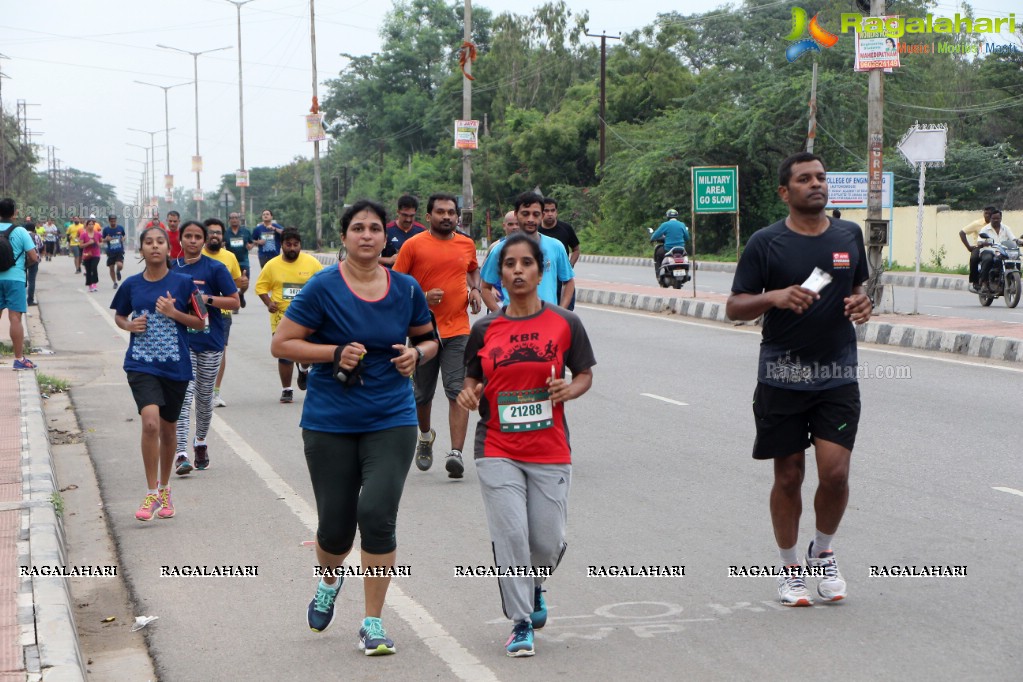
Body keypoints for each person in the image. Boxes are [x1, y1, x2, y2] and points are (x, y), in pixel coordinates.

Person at [270, 199, 438, 653]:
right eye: (358, 228)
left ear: (387, 237)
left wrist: (415, 355)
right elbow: (281, 343)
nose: (367, 235)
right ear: (344, 237)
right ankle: (328, 581)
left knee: (377, 515)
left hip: (392, 416)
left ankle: (373, 622)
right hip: (330, 421)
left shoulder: (405, 289)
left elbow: (428, 338)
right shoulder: (323, 288)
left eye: (375, 229)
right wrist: (333, 352)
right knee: (336, 529)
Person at [726, 152, 871, 607]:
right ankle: (790, 567)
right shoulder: (766, 244)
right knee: (788, 475)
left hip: (836, 372)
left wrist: (863, 304)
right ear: (785, 192)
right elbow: (734, 307)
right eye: (805, 179)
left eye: (821, 177)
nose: (817, 184)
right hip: (782, 373)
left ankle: (822, 551)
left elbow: (857, 289)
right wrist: (774, 296)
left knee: (836, 472)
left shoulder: (849, 235)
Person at [457, 232, 595, 657]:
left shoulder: (565, 323)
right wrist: (468, 394)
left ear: (540, 270)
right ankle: (520, 622)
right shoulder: (485, 329)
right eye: (509, 264)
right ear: (499, 275)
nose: (518, 270)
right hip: (496, 445)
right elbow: (471, 379)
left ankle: (536, 583)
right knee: (511, 534)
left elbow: (585, 374)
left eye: (526, 263)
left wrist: (569, 391)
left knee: (546, 541)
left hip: (550, 447)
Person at [111, 225, 205, 521]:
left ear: (169, 248)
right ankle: (151, 492)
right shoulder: (131, 285)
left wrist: (173, 313)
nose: (154, 246)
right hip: (140, 364)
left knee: (168, 430)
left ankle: (165, 488)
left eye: (160, 242)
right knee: (150, 423)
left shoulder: (185, 283)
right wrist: (128, 326)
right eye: (148, 242)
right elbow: (119, 315)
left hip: (175, 367)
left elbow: (201, 322)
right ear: (141, 249)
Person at [393, 192, 483, 477]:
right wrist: (421, 296)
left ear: (457, 216)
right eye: (440, 212)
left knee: (457, 390)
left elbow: (472, 270)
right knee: (422, 394)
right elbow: (395, 285)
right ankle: (425, 436)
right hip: (423, 331)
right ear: (428, 217)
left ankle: (456, 453)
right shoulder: (413, 245)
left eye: (451, 212)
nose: (446, 216)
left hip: (458, 329)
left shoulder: (466, 244)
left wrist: (476, 290)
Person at [170, 221, 239, 474]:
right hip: (181, 342)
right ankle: (181, 454)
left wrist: (205, 299)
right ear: (180, 239)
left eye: (197, 236)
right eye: (188, 236)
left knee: (204, 397)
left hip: (210, 341)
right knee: (184, 397)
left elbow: (234, 301)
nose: (193, 240)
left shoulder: (215, 268)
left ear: (204, 240)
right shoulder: (171, 267)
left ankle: (200, 442)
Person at [254, 227, 323, 403]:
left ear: (300, 245)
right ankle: (287, 389)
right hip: (281, 318)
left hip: (308, 317)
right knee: (285, 356)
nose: (292, 248)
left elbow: (323, 285)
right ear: (281, 245)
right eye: (288, 244)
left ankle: (304, 370)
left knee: (305, 353)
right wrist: (269, 303)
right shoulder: (272, 265)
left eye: (295, 244)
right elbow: (261, 287)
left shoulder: (312, 263)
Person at [480, 192, 574, 313]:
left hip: (547, 322)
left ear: (542, 215)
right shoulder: (500, 249)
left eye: (536, 214)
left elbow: (568, 281)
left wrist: (561, 312)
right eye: (525, 214)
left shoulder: (556, 246)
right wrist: (501, 316)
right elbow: (485, 287)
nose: (530, 219)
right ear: (516, 214)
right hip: (514, 323)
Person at [202, 219, 247, 408]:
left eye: (218, 233)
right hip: (197, 312)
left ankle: (214, 393)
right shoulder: (195, 254)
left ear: (223, 236)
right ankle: (194, 390)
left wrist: (242, 284)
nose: (215, 236)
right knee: (195, 351)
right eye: (211, 232)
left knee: (219, 352)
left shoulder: (229, 257)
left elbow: (237, 282)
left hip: (223, 313)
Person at [0, 200, 39, 370]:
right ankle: (18, 359)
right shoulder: (21, 231)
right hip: (15, 278)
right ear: (15, 213)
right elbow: (33, 257)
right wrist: (22, 267)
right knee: (15, 318)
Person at [540, 198, 580, 309]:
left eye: (552, 211)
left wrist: (569, 266)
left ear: (556, 212)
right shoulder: (536, 231)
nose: (550, 214)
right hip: (545, 279)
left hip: (563, 279)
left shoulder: (566, 229)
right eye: (546, 211)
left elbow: (576, 249)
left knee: (565, 313)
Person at [378, 194, 426, 267]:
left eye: (411, 216)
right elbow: (369, 258)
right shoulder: (386, 230)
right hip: (391, 276)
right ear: (398, 212)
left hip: (414, 277)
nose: (408, 219)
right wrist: (389, 260)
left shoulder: (422, 231)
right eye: (405, 215)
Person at [977, 209, 1018, 293]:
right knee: (988, 259)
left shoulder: (1006, 228)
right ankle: (984, 283)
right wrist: (984, 243)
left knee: (1015, 258)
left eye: (998, 218)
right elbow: (979, 241)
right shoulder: (985, 229)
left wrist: (1019, 241)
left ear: (1001, 218)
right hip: (989, 250)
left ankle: (1009, 279)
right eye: (994, 218)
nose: (996, 220)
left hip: (1002, 251)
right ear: (990, 218)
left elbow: (1013, 239)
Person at [960, 206, 996, 293]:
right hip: (979, 247)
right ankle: (975, 281)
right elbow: (962, 232)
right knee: (974, 258)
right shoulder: (977, 223)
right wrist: (969, 247)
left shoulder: (997, 224)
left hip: (994, 247)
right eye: (985, 213)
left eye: (989, 214)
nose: (987, 215)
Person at [650, 209, 691, 277]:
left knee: (658, 253)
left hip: (668, 249)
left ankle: (659, 272)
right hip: (681, 249)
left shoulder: (665, 225)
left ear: (668, 217)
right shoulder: (682, 224)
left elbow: (655, 235)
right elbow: (687, 238)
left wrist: (651, 239)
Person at [224, 212, 253, 308]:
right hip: (231, 262)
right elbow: (222, 243)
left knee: (245, 283)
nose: (234, 220)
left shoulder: (245, 231)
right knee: (232, 283)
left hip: (243, 261)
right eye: (232, 218)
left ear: (239, 219)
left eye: (236, 218)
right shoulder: (226, 232)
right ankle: (235, 305)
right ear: (229, 220)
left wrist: (250, 246)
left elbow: (251, 243)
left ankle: (241, 294)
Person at [102, 214, 127, 288]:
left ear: (116, 221)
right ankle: (115, 282)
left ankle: (118, 271)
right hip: (110, 252)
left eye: (114, 221)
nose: (113, 222)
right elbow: (102, 240)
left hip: (119, 251)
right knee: (111, 268)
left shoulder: (120, 228)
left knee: (120, 265)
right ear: (109, 221)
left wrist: (123, 239)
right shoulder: (106, 230)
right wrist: (106, 239)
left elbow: (124, 235)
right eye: (111, 221)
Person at [78, 218, 102, 292]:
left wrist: (99, 244)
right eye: (89, 224)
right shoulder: (83, 235)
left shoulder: (97, 234)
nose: (91, 226)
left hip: (96, 254)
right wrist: (88, 243)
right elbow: (81, 245)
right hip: (87, 254)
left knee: (93, 267)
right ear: (86, 225)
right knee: (88, 270)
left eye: (92, 224)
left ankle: (94, 283)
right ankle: (90, 285)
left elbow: (101, 242)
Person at [25, 226, 43, 307]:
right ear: (34, 228)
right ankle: (30, 300)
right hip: (34, 259)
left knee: (22, 280)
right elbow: (40, 246)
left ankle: (22, 299)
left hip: (23, 259)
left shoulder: (22, 235)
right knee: (31, 280)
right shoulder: (36, 236)